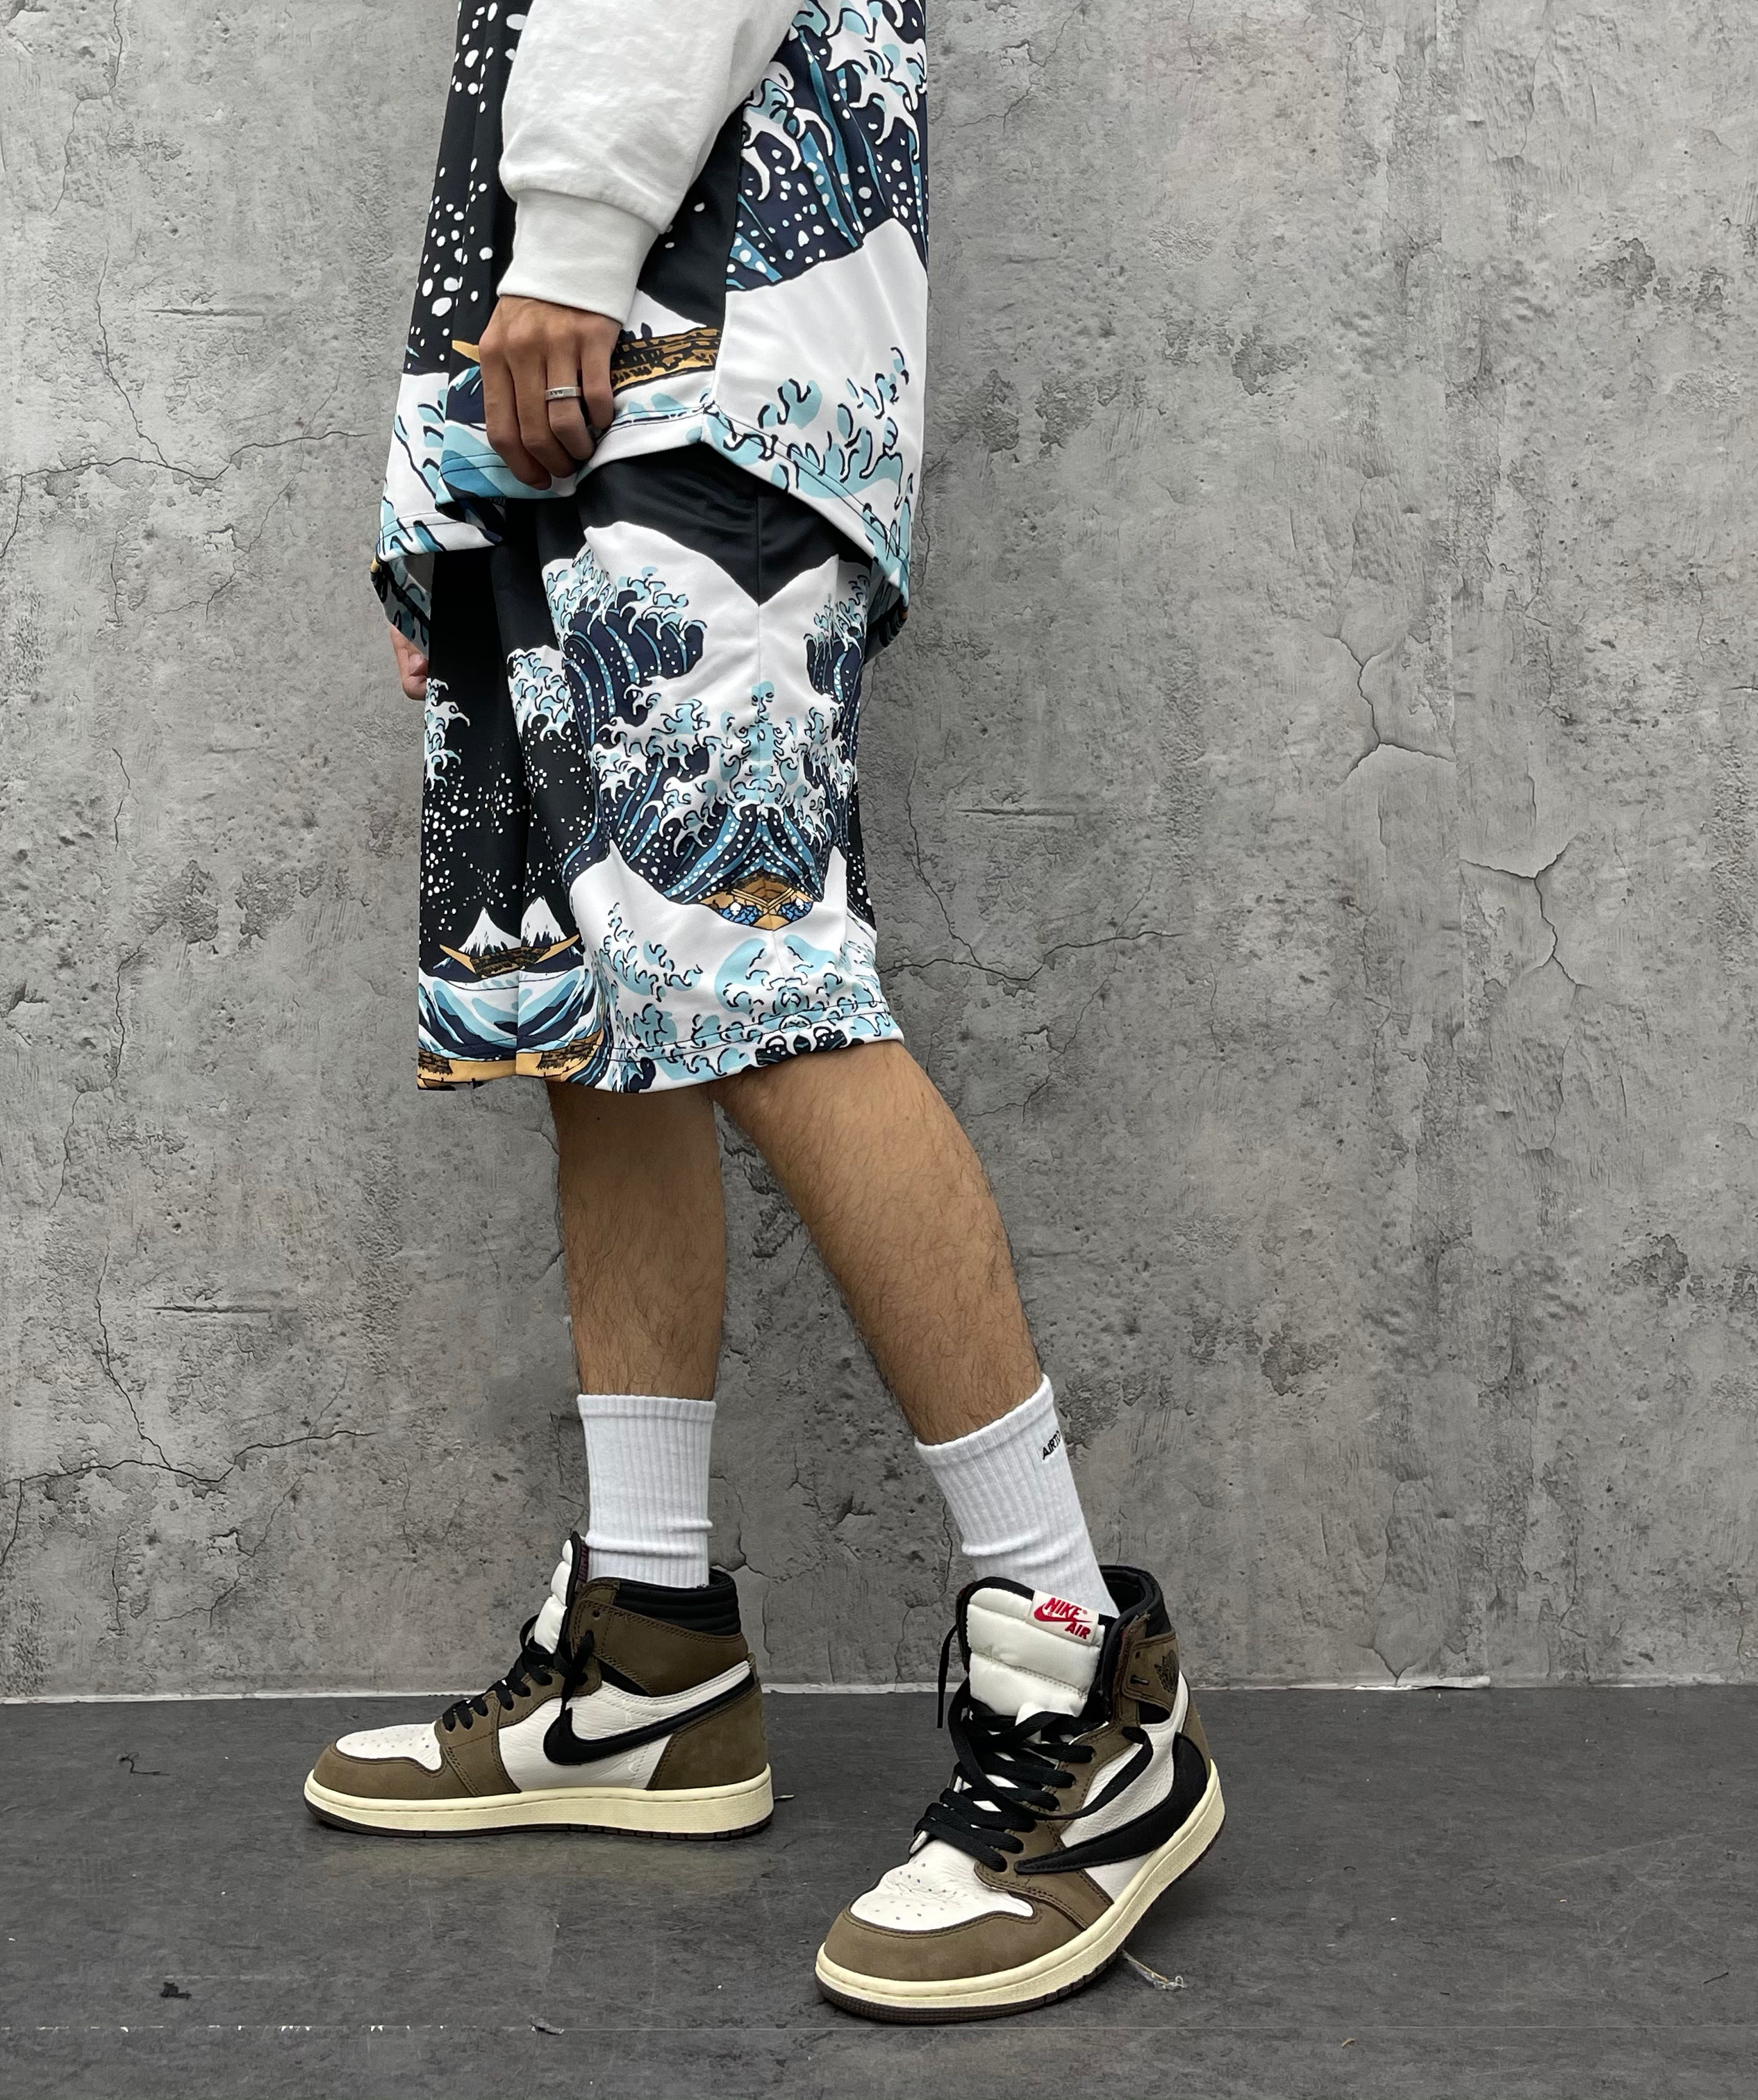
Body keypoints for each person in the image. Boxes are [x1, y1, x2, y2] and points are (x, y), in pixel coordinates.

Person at [303, 0, 1223, 2022]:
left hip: (673, 346)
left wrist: (570, 241)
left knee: (757, 979)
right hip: (597, 366)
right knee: (600, 1018)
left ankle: (1085, 1672)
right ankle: (649, 1654)